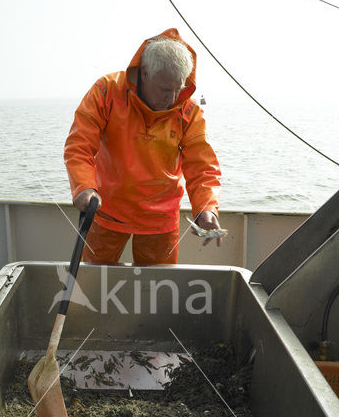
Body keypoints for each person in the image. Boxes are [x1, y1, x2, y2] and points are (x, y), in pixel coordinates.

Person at [64, 28, 222, 265]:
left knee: (158, 292)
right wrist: (84, 187)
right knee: (94, 286)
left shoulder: (189, 111)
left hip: (161, 220)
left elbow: (202, 167)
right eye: (165, 89)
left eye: (178, 89)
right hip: (106, 210)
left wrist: (206, 208)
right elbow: (80, 145)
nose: (172, 98)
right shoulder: (106, 91)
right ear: (145, 73)